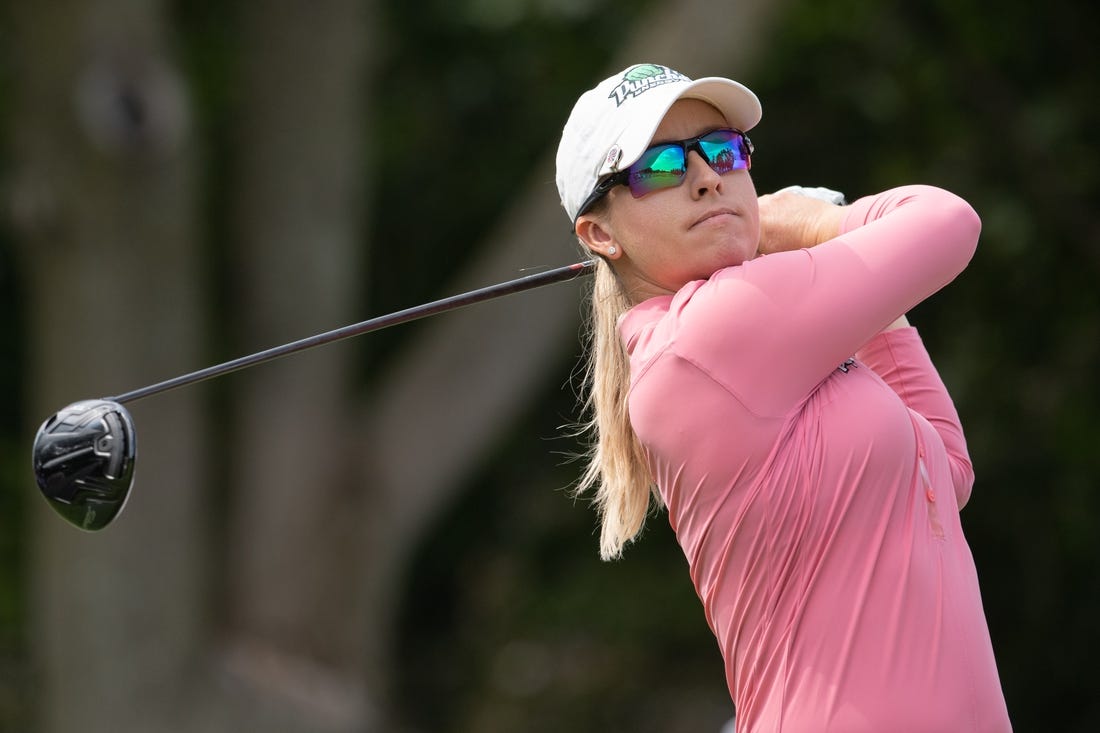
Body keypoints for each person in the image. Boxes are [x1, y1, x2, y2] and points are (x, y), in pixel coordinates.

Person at [554, 63, 1012, 732]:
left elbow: (945, 468)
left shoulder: (759, 338)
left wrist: (860, 284)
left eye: (722, 150)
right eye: (658, 168)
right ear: (600, 234)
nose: (707, 176)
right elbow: (949, 221)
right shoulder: (715, 330)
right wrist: (825, 223)